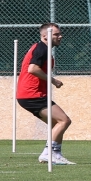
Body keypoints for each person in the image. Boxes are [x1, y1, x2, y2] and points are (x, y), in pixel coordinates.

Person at [16, 23, 75, 165]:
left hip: (28, 95)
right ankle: (48, 154)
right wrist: (53, 81)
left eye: (60, 34)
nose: (60, 36)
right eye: (56, 34)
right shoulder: (41, 49)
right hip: (32, 94)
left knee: (57, 123)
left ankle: (56, 154)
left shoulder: (43, 49)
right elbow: (33, 69)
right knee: (64, 120)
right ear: (45, 36)